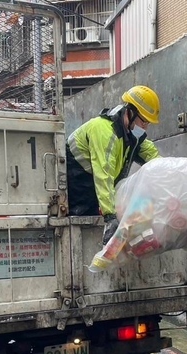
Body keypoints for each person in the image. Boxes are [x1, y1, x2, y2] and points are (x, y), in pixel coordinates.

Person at [66, 85, 161, 244]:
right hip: (78, 189)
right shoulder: (105, 132)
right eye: (144, 120)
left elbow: (153, 155)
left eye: (148, 123)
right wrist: (110, 216)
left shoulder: (131, 134)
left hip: (94, 192)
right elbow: (104, 175)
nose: (145, 126)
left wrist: (172, 173)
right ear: (131, 112)